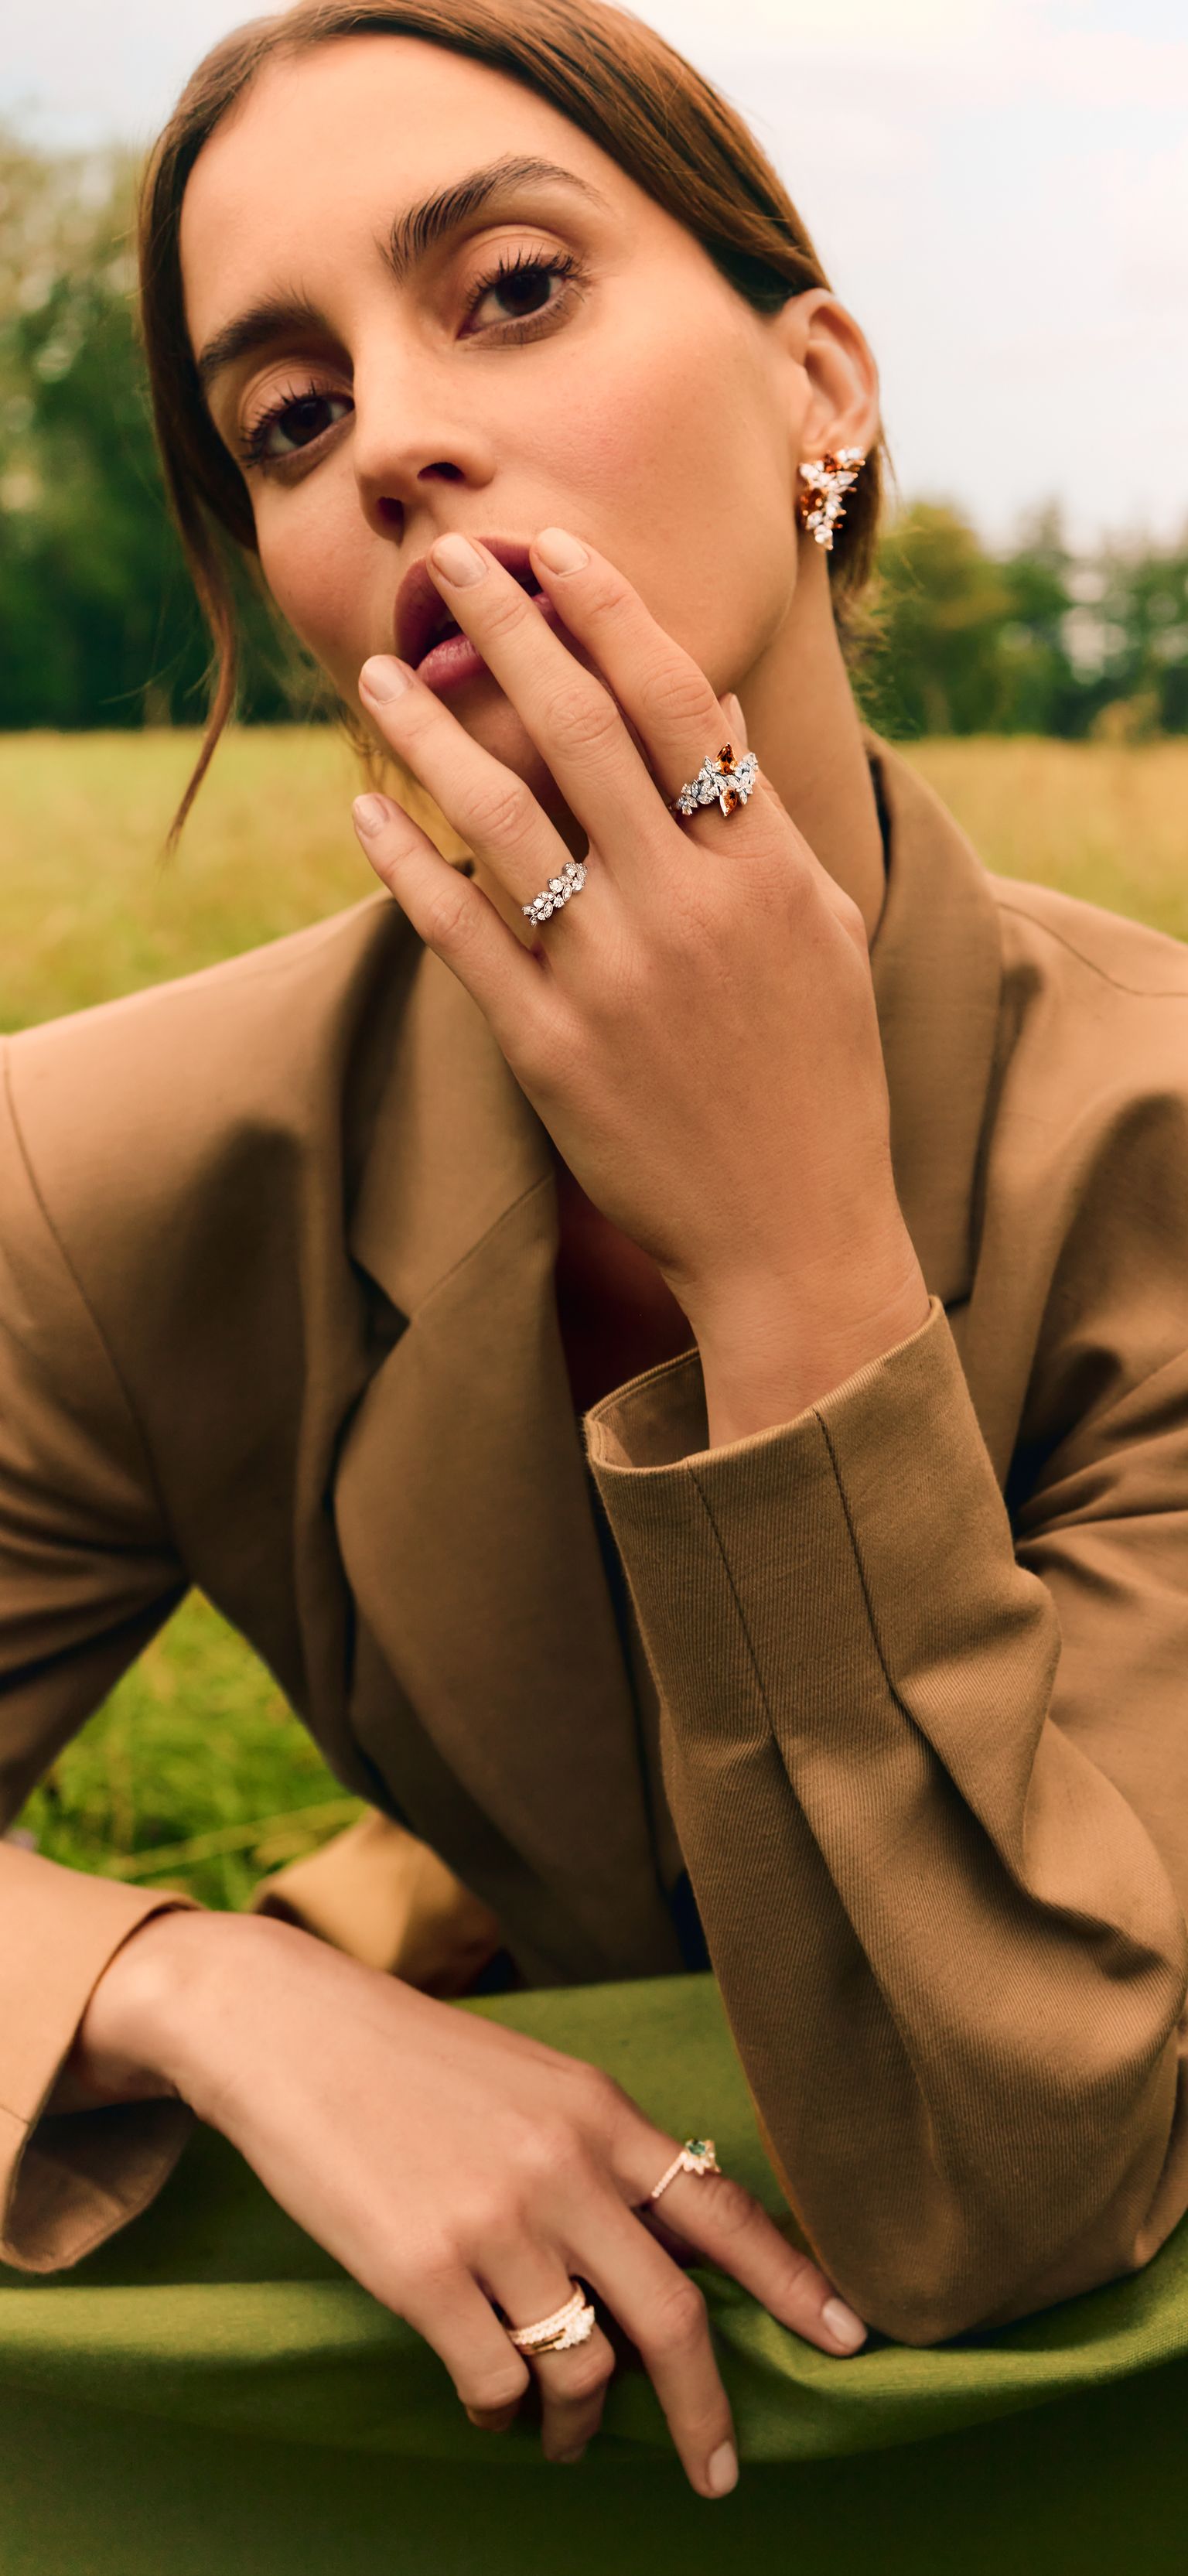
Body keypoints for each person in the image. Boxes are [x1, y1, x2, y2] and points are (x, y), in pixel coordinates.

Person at [3, 0, 1188, 2509]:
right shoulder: (119, 1163)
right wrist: (173, 1980)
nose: (399, 435)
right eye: (291, 419)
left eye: (511, 287)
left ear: (818, 392)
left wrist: (787, 1251)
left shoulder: (1162, 1134)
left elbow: (1007, 2179)